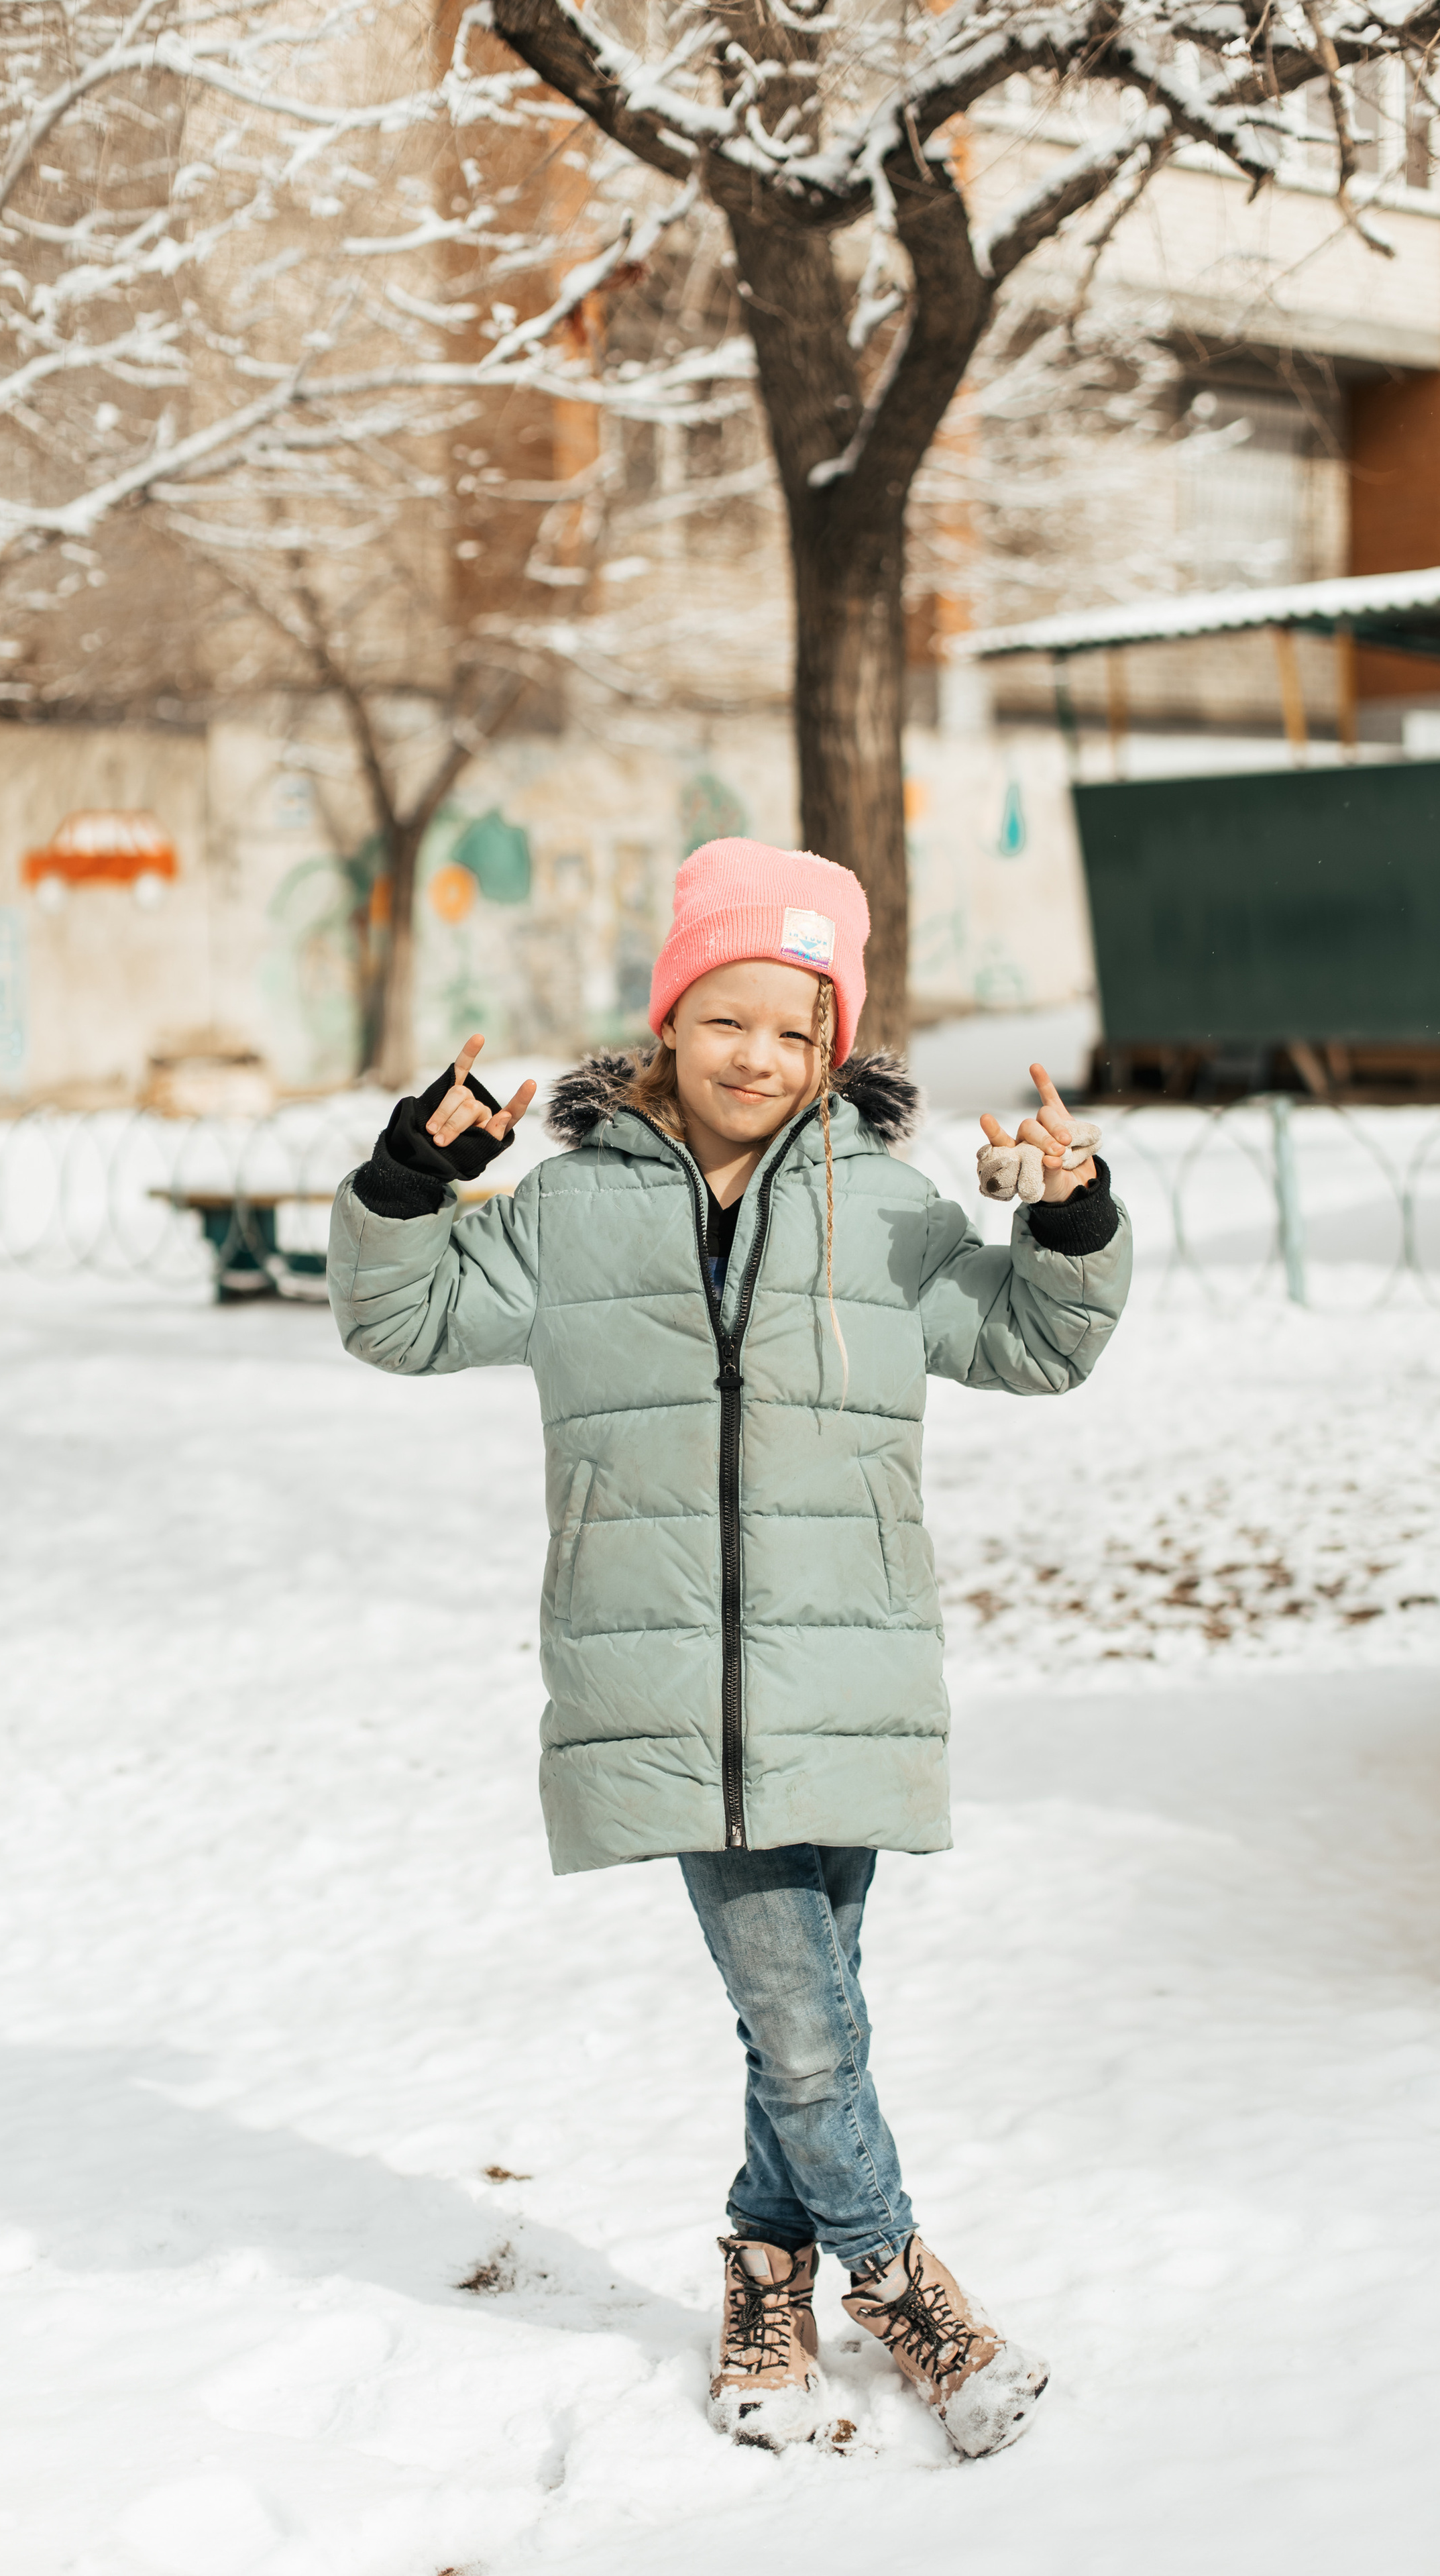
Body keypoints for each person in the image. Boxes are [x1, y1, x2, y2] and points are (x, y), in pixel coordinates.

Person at [328, 838, 1131, 2457]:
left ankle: (762, 2262)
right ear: (668, 1021)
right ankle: (898, 2281)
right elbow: (396, 1320)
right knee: (802, 2011)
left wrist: (1075, 1214)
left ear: (833, 1044)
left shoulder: (888, 1215)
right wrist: (409, 1184)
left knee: (803, 2011)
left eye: (791, 1028)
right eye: (724, 1019)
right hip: (665, 1683)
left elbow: (1037, 1347)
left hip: (849, 1671)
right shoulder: (566, 1212)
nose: (755, 1057)